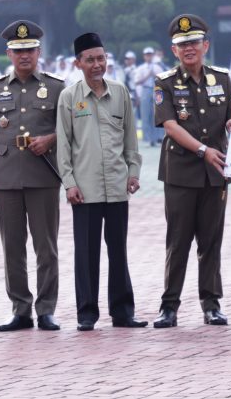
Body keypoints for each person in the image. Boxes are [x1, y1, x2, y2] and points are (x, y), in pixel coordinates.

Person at [0, 20, 64, 332]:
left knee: (46, 246)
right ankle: (20, 309)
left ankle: (46, 309)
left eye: (29, 49)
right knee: (12, 247)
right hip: (7, 176)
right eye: (18, 50)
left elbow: (69, 130)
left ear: (39, 51)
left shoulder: (56, 87)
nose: (24, 55)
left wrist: (50, 139)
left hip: (43, 175)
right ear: (8, 54)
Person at [57, 32, 147, 331]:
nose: (97, 64)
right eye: (90, 60)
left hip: (118, 185)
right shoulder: (69, 97)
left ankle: (123, 312)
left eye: (101, 58)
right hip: (85, 188)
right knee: (86, 252)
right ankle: (86, 313)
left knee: (118, 250)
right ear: (78, 63)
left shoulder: (120, 92)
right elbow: (64, 145)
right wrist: (69, 182)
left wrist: (133, 171)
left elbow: (130, 137)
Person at [152, 14, 231, 328]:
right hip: (182, 173)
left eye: (193, 43)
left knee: (211, 239)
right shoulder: (165, 82)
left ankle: (211, 303)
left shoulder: (222, 79)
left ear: (206, 45)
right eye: (182, 44)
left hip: (216, 172)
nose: (188, 48)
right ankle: (169, 305)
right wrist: (202, 149)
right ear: (174, 50)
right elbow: (171, 126)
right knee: (178, 240)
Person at [135, 46, 165, 146]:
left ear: (152, 56)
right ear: (144, 56)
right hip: (145, 89)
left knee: (157, 114)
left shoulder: (157, 67)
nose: (148, 57)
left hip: (156, 90)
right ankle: (148, 139)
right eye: (147, 55)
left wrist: (155, 75)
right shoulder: (141, 68)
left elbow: (163, 80)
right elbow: (137, 82)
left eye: (150, 55)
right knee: (145, 114)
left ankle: (159, 138)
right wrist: (148, 75)